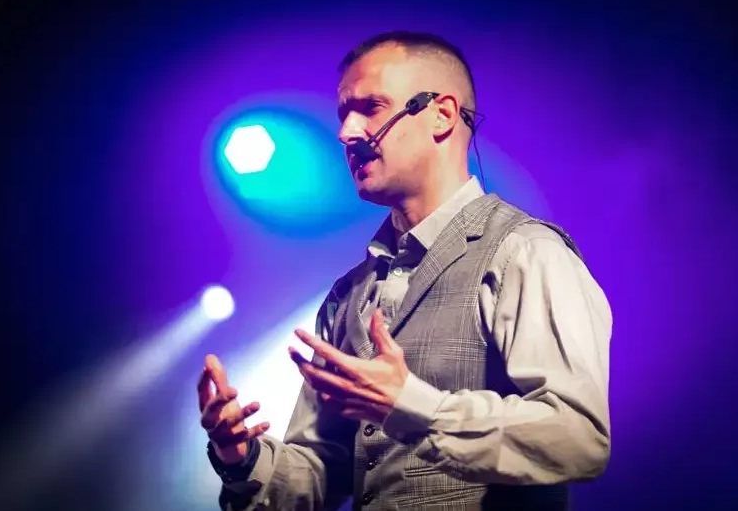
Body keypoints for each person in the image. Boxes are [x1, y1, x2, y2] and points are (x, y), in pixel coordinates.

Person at [197, 31, 613, 510]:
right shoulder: (349, 295)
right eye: (343, 114)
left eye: (370, 107)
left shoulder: (524, 252)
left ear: (441, 114)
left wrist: (410, 404)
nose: (346, 133)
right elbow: (321, 472)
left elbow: (578, 437)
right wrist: (242, 458)